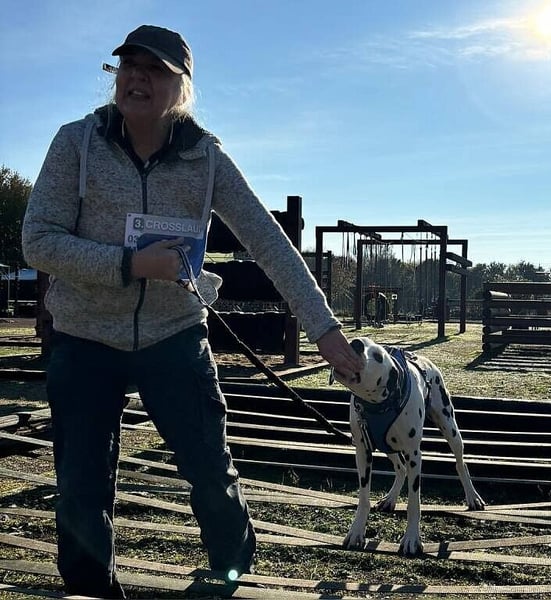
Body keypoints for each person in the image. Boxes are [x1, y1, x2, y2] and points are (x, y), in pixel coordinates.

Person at [22, 24, 363, 598]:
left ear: (180, 87)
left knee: (208, 465)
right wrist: (131, 264)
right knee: (80, 483)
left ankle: (233, 569)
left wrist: (325, 331)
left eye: (153, 70)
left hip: (173, 333)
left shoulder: (206, 159)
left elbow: (268, 241)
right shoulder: (75, 144)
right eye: (128, 67)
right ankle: (90, 589)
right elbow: (39, 241)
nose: (137, 78)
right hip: (82, 337)